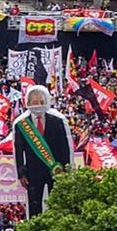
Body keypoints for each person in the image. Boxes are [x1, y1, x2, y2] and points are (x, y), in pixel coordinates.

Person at [13, 86, 74, 218]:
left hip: (56, 169)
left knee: (57, 202)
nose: (37, 104)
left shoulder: (57, 121)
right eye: (34, 101)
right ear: (28, 102)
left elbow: (64, 149)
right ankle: (36, 230)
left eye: (40, 101)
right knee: (34, 205)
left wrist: (66, 170)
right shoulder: (22, 125)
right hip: (32, 172)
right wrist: (21, 173)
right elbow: (19, 152)